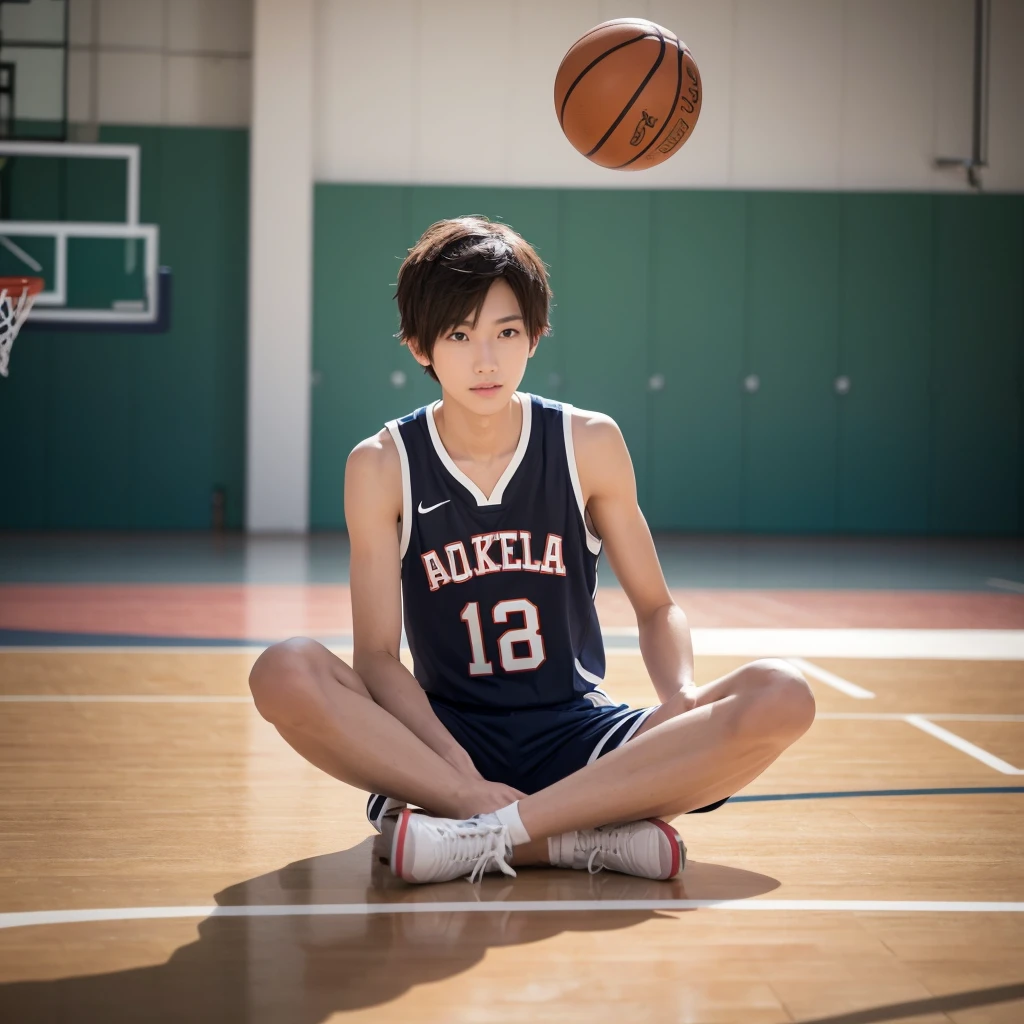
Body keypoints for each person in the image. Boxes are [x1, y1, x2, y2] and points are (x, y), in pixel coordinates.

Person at [249, 216, 815, 885]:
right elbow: (376, 658)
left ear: (535, 336)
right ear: (418, 345)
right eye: (459, 334)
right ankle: (572, 837)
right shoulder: (382, 464)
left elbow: (658, 607)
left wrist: (681, 696)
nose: (485, 359)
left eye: (506, 332)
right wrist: (458, 774)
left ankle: (484, 835)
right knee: (283, 670)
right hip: (445, 736)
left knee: (784, 693)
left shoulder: (588, 443)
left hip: (579, 733)